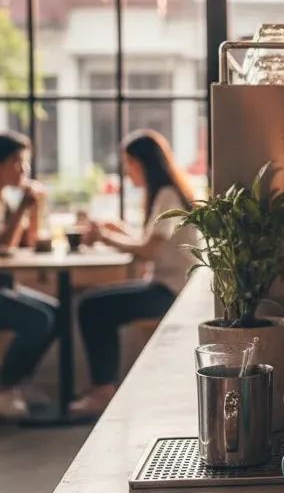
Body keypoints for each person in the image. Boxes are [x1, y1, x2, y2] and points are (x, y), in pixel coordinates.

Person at [69, 129, 197, 418]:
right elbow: (154, 244)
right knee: (95, 304)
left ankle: (102, 390)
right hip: (167, 287)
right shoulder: (167, 194)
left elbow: (149, 251)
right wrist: (119, 231)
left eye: (129, 163)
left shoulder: (167, 195)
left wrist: (105, 237)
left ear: (142, 163)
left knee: (92, 306)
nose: (127, 171)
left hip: (173, 293)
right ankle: (103, 388)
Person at [0, 131, 57, 420]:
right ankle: (5, 387)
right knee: (38, 319)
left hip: (6, 284)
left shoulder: (4, 200)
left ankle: (18, 382)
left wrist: (35, 208)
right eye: (17, 162)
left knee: (54, 312)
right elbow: (3, 247)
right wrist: (23, 204)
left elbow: (27, 243)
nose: (23, 170)